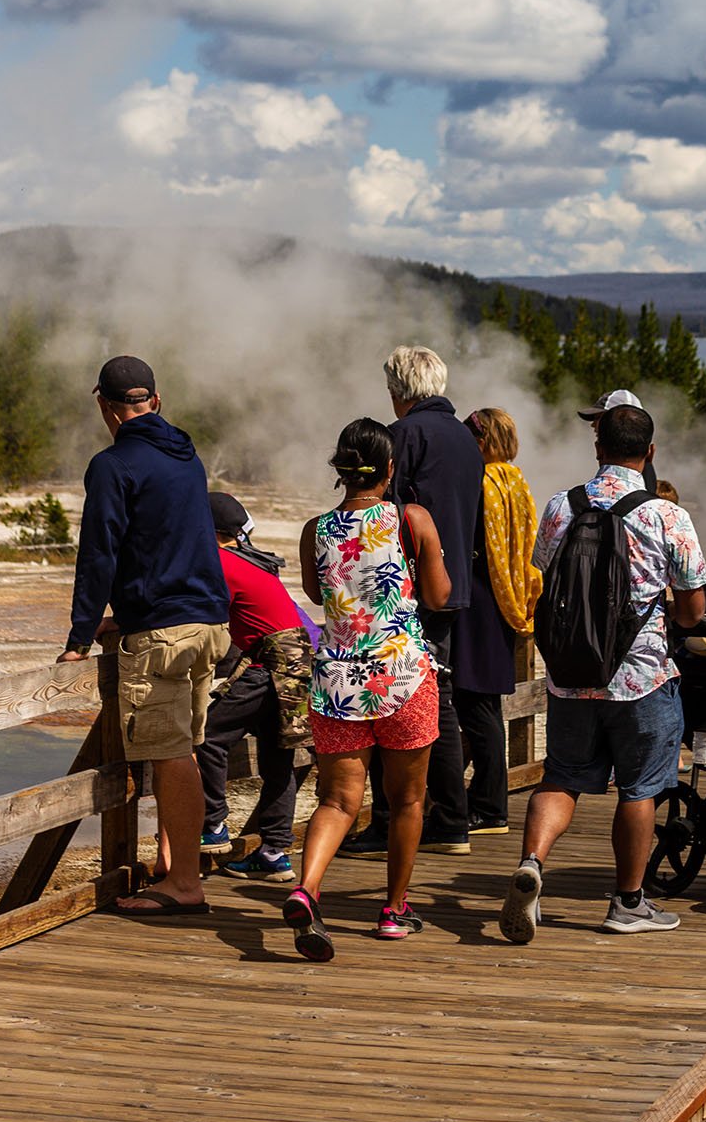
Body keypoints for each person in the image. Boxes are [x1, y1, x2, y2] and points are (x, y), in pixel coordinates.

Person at [501, 395, 706, 941]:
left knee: (561, 778)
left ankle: (531, 865)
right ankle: (628, 903)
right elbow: (692, 611)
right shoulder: (669, 515)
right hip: (641, 675)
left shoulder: (560, 506)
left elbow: (541, 577)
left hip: (572, 674)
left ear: (597, 446)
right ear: (651, 451)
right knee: (639, 789)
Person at [59, 354, 234, 911]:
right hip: (209, 622)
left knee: (170, 751)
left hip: (163, 631)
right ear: (154, 402)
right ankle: (172, 864)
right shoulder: (186, 456)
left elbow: (100, 552)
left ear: (106, 409)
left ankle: (184, 884)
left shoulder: (114, 465)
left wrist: (80, 637)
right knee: (183, 744)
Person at [282, 420, 456, 960]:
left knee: (337, 799)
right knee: (406, 799)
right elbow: (439, 594)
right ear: (388, 469)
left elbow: (317, 592)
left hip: (337, 681)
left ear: (339, 470)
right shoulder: (412, 519)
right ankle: (394, 911)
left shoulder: (316, 529)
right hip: (402, 676)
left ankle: (307, 888)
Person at [364, 345, 493, 859]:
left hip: (410, 591)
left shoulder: (404, 436)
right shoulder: (465, 436)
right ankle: (453, 820)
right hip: (453, 585)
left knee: (389, 701)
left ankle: (388, 823)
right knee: (438, 700)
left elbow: (386, 516)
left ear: (398, 390)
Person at [196, 492, 316, 880]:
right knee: (278, 758)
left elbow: (202, 612)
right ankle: (274, 852)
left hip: (271, 664)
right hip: (299, 661)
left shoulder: (219, 561)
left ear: (209, 532)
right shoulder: (253, 559)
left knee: (210, 736)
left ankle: (213, 825)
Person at [465, 406, 541, 838]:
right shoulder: (517, 481)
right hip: (506, 598)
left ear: (483, 442)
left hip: (480, 596)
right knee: (487, 704)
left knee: (477, 707)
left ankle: (489, 806)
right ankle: (484, 799)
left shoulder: (484, 482)